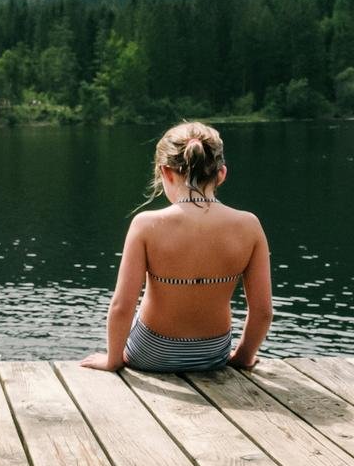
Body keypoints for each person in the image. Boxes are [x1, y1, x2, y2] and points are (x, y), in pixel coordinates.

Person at [79, 120, 272, 375]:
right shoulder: (249, 225)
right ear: (221, 174)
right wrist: (244, 356)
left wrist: (113, 360)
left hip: (151, 352)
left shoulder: (146, 224)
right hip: (213, 353)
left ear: (166, 173)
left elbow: (122, 306)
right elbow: (262, 312)